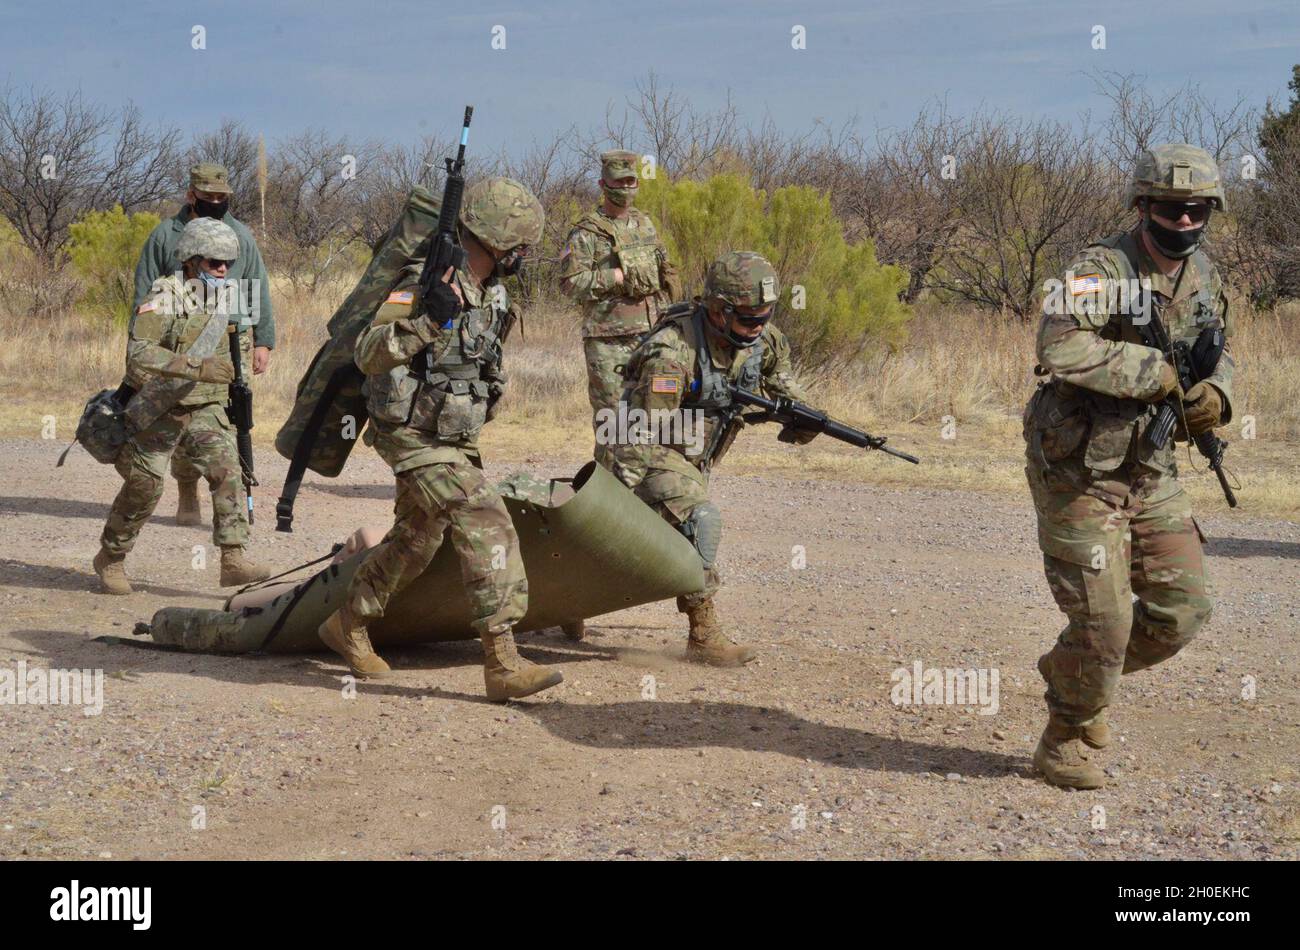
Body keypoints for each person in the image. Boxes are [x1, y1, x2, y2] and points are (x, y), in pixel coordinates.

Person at [1024, 144, 1234, 789]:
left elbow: (1217, 350)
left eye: (1197, 210)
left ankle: (1078, 668)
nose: (1184, 222)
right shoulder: (1097, 268)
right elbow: (1060, 345)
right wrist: (1158, 374)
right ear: (1143, 206)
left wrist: (1214, 397)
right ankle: (1065, 735)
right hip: (1080, 468)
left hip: (1152, 466)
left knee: (1182, 608)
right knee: (1105, 621)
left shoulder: (1205, 276)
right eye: (1171, 209)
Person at [315, 177, 564, 702]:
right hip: (407, 433)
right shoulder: (421, 281)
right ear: (496, 239)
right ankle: (502, 662)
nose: (524, 255)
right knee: (484, 514)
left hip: (451, 436)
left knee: (416, 540)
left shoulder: (493, 293)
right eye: (520, 245)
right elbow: (369, 353)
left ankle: (347, 623)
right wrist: (428, 320)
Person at [611, 251, 815, 666]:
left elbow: (786, 389)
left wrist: (804, 420)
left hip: (692, 459)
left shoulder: (764, 340)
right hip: (644, 454)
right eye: (748, 318)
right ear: (719, 311)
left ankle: (572, 599)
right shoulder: (671, 354)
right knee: (699, 520)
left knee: (644, 544)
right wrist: (612, 499)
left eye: (765, 316)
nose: (758, 327)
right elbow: (639, 435)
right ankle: (703, 635)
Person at [95, 218, 271, 594]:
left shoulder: (228, 295)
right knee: (146, 486)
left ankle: (233, 558)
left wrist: (237, 395)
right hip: (159, 407)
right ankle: (111, 557)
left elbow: (237, 350)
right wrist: (198, 366)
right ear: (190, 261)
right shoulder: (165, 295)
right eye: (212, 262)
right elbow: (139, 353)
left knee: (227, 472)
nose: (222, 270)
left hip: (206, 407)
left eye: (227, 263)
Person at [132, 162, 275, 527]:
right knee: (181, 414)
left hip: (232, 341)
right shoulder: (166, 235)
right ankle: (185, 488)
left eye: (221, 196)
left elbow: (257, 285)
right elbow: (144, 293)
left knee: (227, 420)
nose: (215, 201)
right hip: (181, 344)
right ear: (191, 194)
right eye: (208, 195)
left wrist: (264, 341)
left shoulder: (240, 235)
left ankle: (230, 511)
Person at [560, 148, 679, 468]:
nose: (626, 188)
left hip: (650, 335)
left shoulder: (645, 225)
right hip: (607, 341)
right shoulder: (587, 231)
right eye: (619, 182)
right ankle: (604, 496)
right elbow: (570, 283)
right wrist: (612, 276)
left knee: (654, 418)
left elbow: (665, 271)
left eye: (631, 181)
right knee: (613, 424)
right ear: (603, 184)